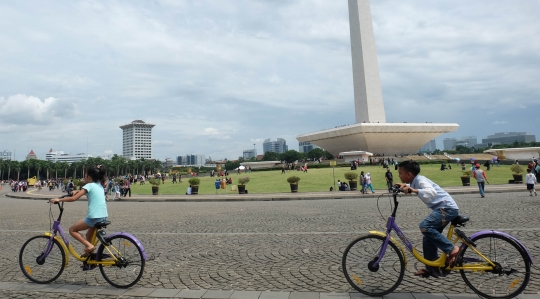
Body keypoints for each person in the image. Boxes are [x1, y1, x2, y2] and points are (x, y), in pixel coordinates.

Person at [395, 161, 460, 278]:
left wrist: (413, 190)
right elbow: (414, 188)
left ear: (409, 174)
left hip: (447, 208)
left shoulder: (420, 180)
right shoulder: (414, 181)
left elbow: (431, 192)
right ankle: (431, 268)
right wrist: (405, 187)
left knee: (425, 226)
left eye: (400, 173)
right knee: (428, 238)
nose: (399, 175)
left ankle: (452, 249)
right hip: (443, 208)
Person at [50, 165, 108, 258]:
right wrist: (77, 191)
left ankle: (89, 246)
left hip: (94, 217)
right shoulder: (99, 184)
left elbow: (73, 199)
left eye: (84, 175)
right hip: (103, 216)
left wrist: (59, 200)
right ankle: (90, 257)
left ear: (88, 177)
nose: (83, 177)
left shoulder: (89, 185)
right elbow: (85, 191)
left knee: (72, 230)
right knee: (89, 235)